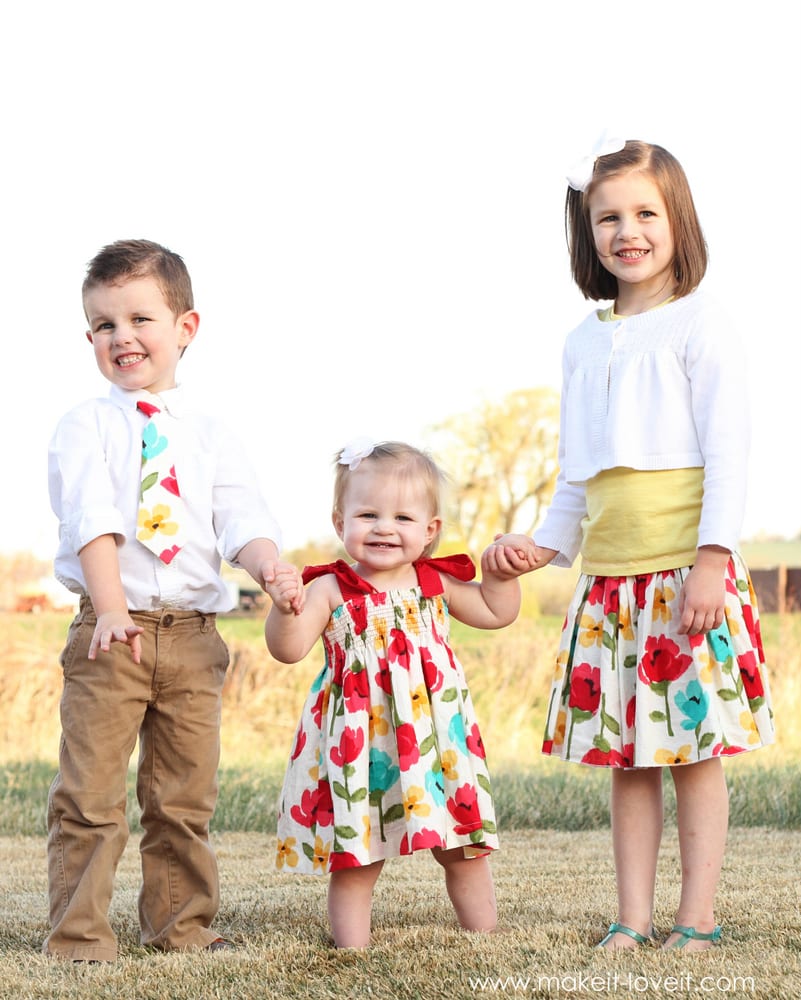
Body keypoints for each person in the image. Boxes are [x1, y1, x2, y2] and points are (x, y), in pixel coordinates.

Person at [483, 138, 774, 952]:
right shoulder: (582, 341)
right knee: (629, 759)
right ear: (587, 232)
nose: (626, 231)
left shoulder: (701, 323)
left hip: (685, 575)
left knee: (690, 752)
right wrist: (542, 546)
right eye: (607, 217)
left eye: (645, 212)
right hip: (610, 586)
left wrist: (712, 559)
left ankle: (697, 918)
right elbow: (578, 470)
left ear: (677, 220)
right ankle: (631, 918)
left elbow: (727, 452)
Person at [44, 239, 299, 962]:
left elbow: (242, 519)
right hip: (110, 631)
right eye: (103, 325)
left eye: (139, 319)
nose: (122, 337)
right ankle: (80, 938)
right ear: (89, 337)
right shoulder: (84, 426)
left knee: (183, 798)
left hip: (192, 637)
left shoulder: (212, 434)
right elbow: (91, 519)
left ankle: (181, 926)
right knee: (91, 799)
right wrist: (114, 605)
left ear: (186, 327)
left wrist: (270, 566)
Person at [264, 439, 525, 948]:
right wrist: (283, 607)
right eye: (368, 514)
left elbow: (497, 614)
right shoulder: (330, 590)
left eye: (403, 518)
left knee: (463, 846)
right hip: (362, 745)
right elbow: (288, 649)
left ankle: (484, 935)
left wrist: (501, 577)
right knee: (359, 854)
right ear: (340, 523)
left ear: (430, 532)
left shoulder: (434, 582)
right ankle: (352, 950)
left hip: (435, 742)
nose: (384, 527)